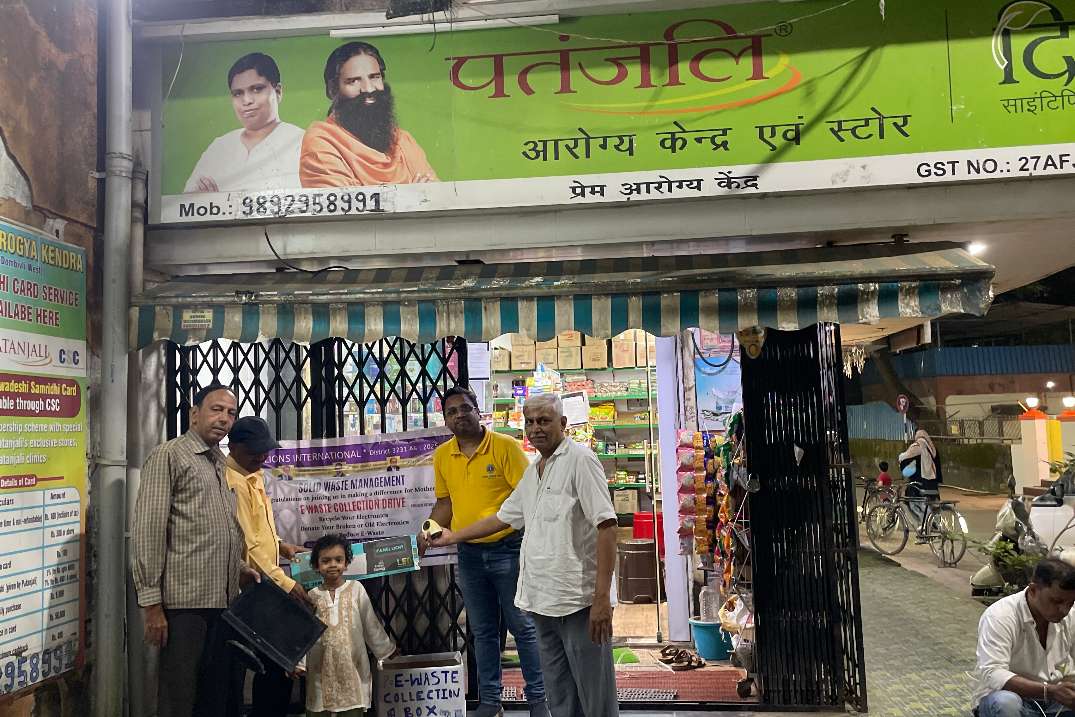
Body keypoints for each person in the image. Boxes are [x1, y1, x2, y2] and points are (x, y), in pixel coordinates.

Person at [432, 394, 619, 717]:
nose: (536, 429)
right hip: (542, 601)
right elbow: (502, 517)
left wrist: (601, 598)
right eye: (530, 422)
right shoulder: (534, 472)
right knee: (561, 696)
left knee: (595, 698)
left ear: (563, 423)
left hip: (579, 601)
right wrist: (453, 536)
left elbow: (607, 527)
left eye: (544, 421)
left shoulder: (581, 460)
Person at [421, 386, 548, 717]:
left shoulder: (505, 447)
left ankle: (539, 702)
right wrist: (427, 531)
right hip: (470, 556)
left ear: (478, 411)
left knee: (523, 628)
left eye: (465, 408)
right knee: (483, 632)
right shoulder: (443, 455)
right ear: (445, 420)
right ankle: (491, 703)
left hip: (509, 549)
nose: (459, 415)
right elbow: (445, 503)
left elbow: (527, 499)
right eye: (451, 411)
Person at [131, 384, 257, 717]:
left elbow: (215, 527)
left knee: (213, 697)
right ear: (194, 414)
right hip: (184, 604)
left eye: (231, 413)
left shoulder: (218, 461)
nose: (224, 419)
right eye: (216, 409)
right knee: (180, 697)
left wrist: (238, 567)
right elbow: (149, 530)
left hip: (222, 602)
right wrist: (151, 604)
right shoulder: (169, 455)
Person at [225, 416, 310, 717]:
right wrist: (286, 584)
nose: (262, 457)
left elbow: (260, 530)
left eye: (265, 450)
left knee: (276, 667)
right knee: (272, 666)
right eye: (254, 451)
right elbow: (247, 547)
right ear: (233, 447)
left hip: (267, 582)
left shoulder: (253, 474)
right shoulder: (232, 484)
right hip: (252, 588)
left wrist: (281, 545)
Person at [300, 41, 437, 187]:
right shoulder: (322, 141)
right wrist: (412, 195)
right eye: (353, 81)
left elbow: (437, 195)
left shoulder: (403, 141)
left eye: (374, 77)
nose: (368, 88)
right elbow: (344, 201)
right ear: (333, 89)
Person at [296, 534, 397, 717]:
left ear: (346, 563)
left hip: (352, 667)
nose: (332, 565)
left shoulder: (356, 589)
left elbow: (370, 624)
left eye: (338, 560)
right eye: (326, 561)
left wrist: (386, 650)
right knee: (319, 706)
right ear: (316, 566)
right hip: (320, 668)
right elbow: (304, 634)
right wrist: (299, 663)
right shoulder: (312, 596)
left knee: (352, 708)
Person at [184, 52, 304, 193]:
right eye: (238, 93)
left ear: (278, 92)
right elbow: (187, 199)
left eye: (257, 89)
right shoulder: (220, 147)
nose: (246, 101)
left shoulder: (300, 142)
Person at [974, 557, 1075, 716]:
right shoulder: (1000, 616)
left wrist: (1065, 688)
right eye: (1056, 601)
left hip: (1054, 703)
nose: (1064, 610)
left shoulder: (1071, 616)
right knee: (1005, 703)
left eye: (1070, 603)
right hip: (1013, 700)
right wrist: (1049, 691)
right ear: (1033, 590)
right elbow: (993, 673)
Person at [899, 429, 942, 521]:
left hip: (920, 481)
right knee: (933, 503)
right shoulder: (932, 448)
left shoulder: (918, 445)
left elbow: (904, 456)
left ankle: (925, 522)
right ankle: (934, 523)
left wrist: (901, 458)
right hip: (932, 482)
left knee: (913, 502)